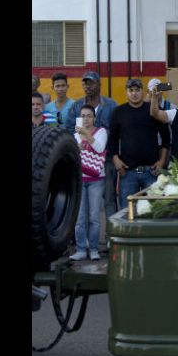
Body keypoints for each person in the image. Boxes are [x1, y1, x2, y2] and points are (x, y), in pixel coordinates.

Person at [107, 79, 170, 209]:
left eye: (137, 90)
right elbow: (112, 140)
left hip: (152, 172)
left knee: (153, 212)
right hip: (128, 173)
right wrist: (116, 160)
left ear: (143, 92)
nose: (134, 93)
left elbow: (166, 139)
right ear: (126, 92)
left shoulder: (154, 110)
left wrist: (162, 161)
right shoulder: (118, 112)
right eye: (131, 90)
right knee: (127, 213)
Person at [63, 71, 119, 218]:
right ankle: (85, 240)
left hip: (106, 160)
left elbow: (118, 133)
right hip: (83, 160)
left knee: (109, 199)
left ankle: (110, 237)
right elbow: (68, 130)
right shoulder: (76, 106)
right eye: (85, 83)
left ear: (99, 84)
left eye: (91, 83)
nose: (87, 86)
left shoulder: (111, 105)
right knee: (83, 202)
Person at [69, 104, 107, 261]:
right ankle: (80, 249)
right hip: (79, 178)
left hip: (96, 179)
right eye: (83, 116)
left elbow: (99, 148)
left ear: (94, 118)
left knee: (94, 217)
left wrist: (86, 134)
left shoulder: (101, 131)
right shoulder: (75, 135)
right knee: (80, 217)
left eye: (89, 116)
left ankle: (93, 249)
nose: (86, 119)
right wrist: (76, 147)